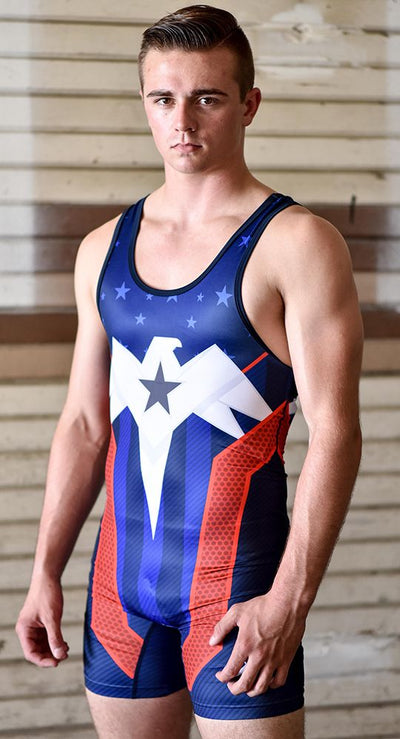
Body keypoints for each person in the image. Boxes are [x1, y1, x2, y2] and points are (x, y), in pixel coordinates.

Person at [16, 6, 363, 738]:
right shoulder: (102, 249)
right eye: (162, 98)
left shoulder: (297, 243)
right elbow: (84, 423)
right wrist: (44, 568)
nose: (182, 121)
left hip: (238, 592)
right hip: (119, 592)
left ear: (249, 104)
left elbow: (336, 432)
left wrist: (290, 602)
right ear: (143, 103)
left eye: (207, 98)